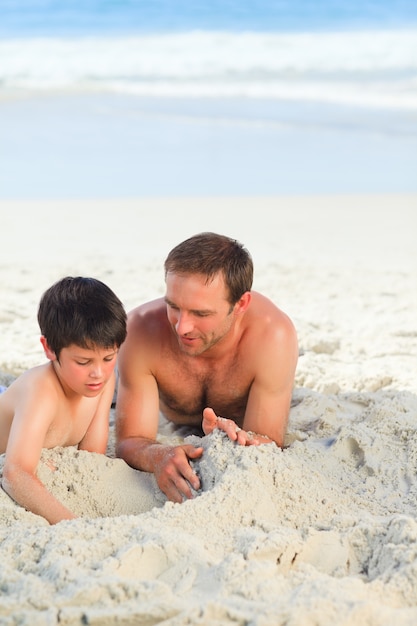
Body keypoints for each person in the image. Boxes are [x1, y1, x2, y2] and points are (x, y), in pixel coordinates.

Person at [116, 232, 298, 504]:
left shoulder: (273, 337)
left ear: (241, 305)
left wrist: (244, 441)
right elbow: (129, 440)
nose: (182, 327)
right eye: (174, 306)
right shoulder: (140, 332)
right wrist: (158, 455)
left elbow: (269, 443)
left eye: (201, 314)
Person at [0, 276, 127, 524]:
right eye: (83, 362)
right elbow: (14, 473)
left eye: (109, 358)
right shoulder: (41, 391)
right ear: (49, 349)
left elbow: (91, 458)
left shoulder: (102, 382)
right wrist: (72, 523)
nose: (98, 373)